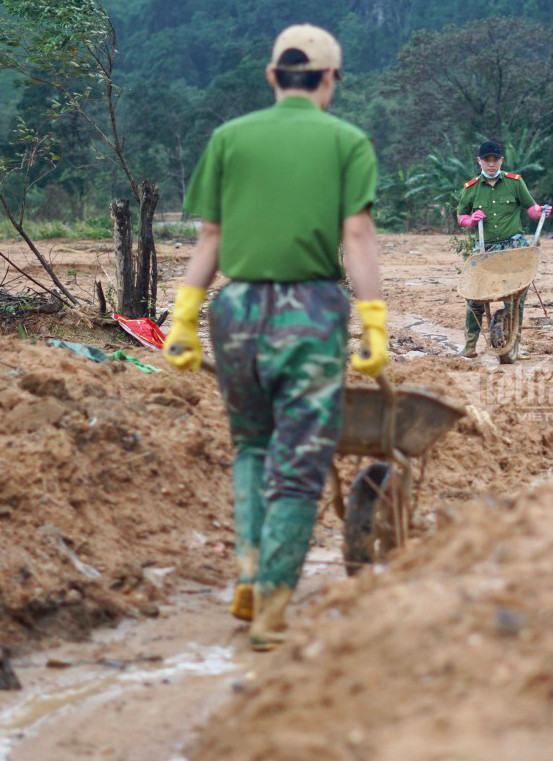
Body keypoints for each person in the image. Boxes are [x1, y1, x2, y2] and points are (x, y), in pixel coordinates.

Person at [162, 24, 388, 651]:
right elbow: (358, 236)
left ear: (271, 76)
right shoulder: (348, 141)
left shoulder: (229, 138)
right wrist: (372, 320)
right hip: (310, 313)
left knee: (252, 448)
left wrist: (184, 318)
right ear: (330, 79)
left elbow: (210, 238)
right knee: (300, 464)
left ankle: (249, 573)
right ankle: (271, 609)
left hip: (234, 311)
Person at [455, 140, 551, 358]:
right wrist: (471, 220)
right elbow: (461, 215)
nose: (491, 164)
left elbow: (531, 208)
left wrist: (540, 211)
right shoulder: (471, 188)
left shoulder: (514, 182)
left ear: (501, 161)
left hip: (513, 246)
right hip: (486, 248)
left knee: (517, 296)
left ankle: (515, 343)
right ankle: (470, 346)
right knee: (475, 296)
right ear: (479, 161)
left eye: (495, 160)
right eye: (486, 160)